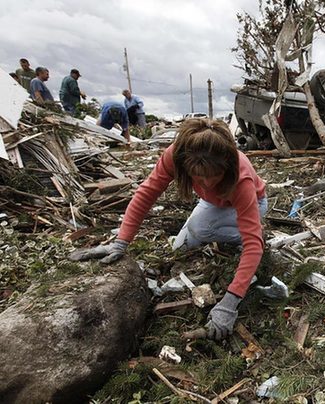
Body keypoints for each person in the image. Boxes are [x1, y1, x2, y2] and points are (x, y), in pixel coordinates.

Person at [69, 118, 268, 341]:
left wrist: (229, 303)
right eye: (199, 177)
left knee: (203, 229)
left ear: (226, 167)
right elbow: (146, 194)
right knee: (180, 247)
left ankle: (255, 236)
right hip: (214, 202)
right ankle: (229, 230)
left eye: (214, 176)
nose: (207, 183)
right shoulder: (176, 156)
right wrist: (121, 242)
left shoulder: (240, 178)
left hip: (253, 204)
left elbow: (251, 244)